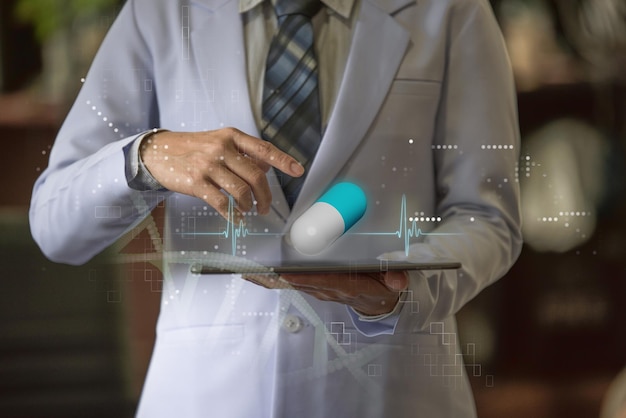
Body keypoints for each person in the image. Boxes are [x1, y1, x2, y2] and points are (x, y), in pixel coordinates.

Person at [29, 0, 522, 416]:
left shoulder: (452, 10)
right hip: (209, 394)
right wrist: (144, 157)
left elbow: (488, 217)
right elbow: (56, 226)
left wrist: (407, 290)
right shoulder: (158, 11)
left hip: (390, 388)